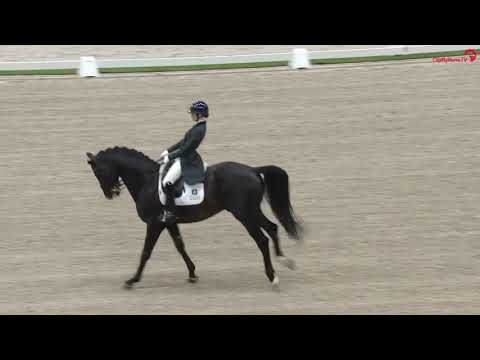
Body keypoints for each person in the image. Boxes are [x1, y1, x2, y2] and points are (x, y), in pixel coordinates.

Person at [158, 100, 208, 224]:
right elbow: (183, 142)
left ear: (199, 115)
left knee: (167, 181)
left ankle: (170, 213)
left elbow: (186, 149)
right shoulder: (197, 127)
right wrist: (168, 151)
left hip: (188, 160)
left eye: (193, 113)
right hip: (185, 156)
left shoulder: (199, 130)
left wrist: (169, 157)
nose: (191, 115)